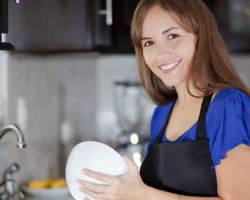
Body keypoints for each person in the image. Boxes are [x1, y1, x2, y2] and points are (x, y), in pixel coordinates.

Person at [77, 0, 250, 199]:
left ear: (201, 37)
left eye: (172, 36)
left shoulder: (228, 106)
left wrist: (142, 194)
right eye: (149, 43)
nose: (161, 54)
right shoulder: (163, 113)